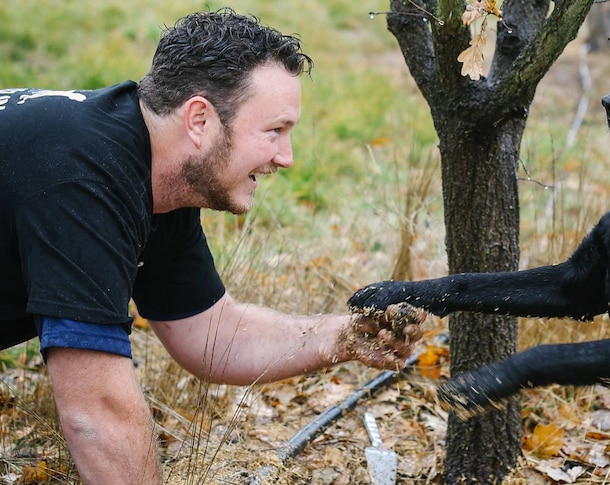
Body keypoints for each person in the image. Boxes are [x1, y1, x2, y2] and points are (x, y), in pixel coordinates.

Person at [0, 8, 424, 484]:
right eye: (274, 131)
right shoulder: (85, 181)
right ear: (199, 119)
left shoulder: (153, 166)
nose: (287, 157)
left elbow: (212, 335)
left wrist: (343, 336)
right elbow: (96, 413)